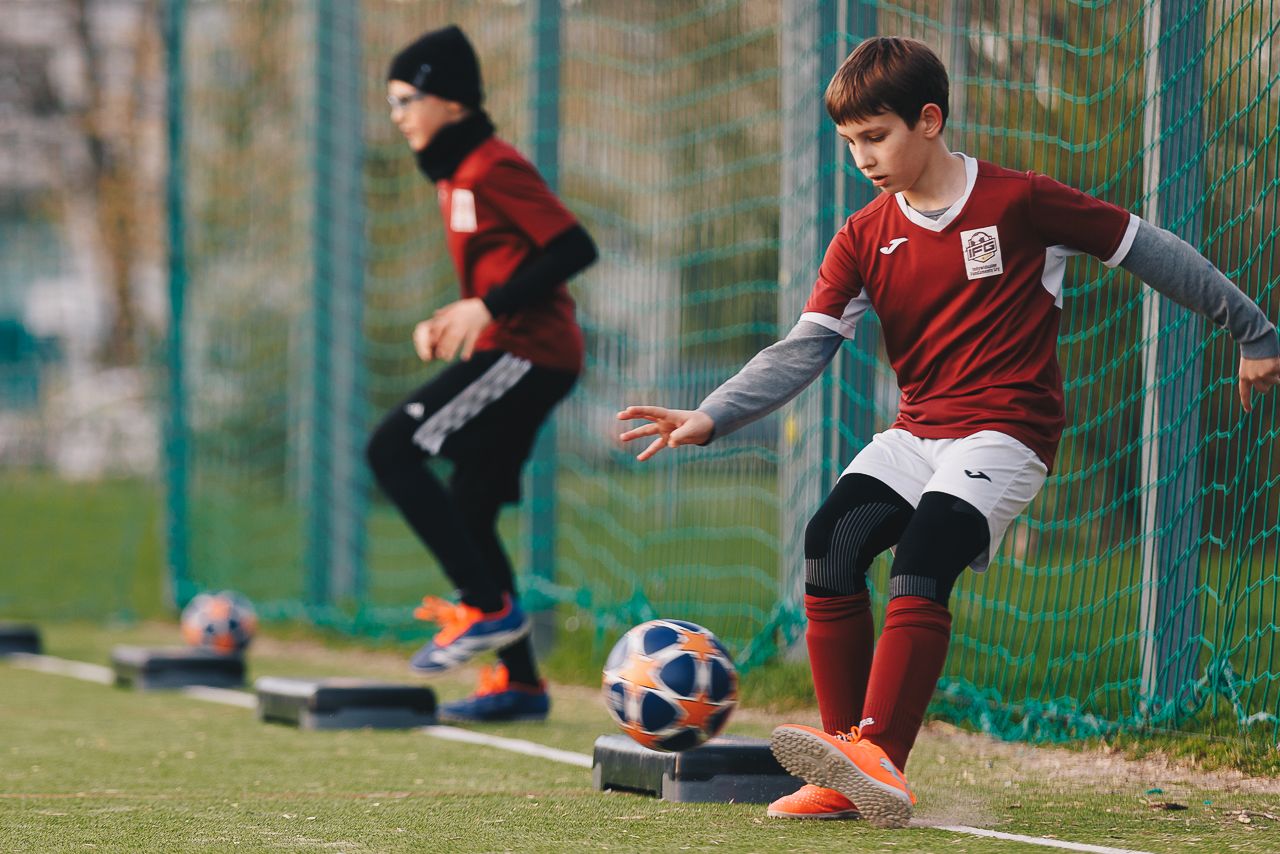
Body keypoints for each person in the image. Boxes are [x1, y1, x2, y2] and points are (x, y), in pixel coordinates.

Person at [619, 36, 1280, 828]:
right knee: (830, 544)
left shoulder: (1020, 201)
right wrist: (712, 413)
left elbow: (1149, 250)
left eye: (876, 136)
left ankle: (882, 761)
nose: (862, 157)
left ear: (928, 120)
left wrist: (1252, 330)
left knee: (924, 555)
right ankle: (843, 764)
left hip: (1008, 432)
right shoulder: (862, 235)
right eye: (850, 142)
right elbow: (805, 347)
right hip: (918, 432)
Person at [367, 25, 597, 722]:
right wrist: (455, 317)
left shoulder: (490, 166)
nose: (397, 114)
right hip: (508, 347)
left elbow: (573, 247)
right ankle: (521, 684)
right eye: (391, 103)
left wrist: (487, 308)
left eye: (406, 99)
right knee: (470, 504)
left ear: (453, 101)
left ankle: (485, 607)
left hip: (529, 353)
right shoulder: (453, 175)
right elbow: (505, 270)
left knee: (392, 448)